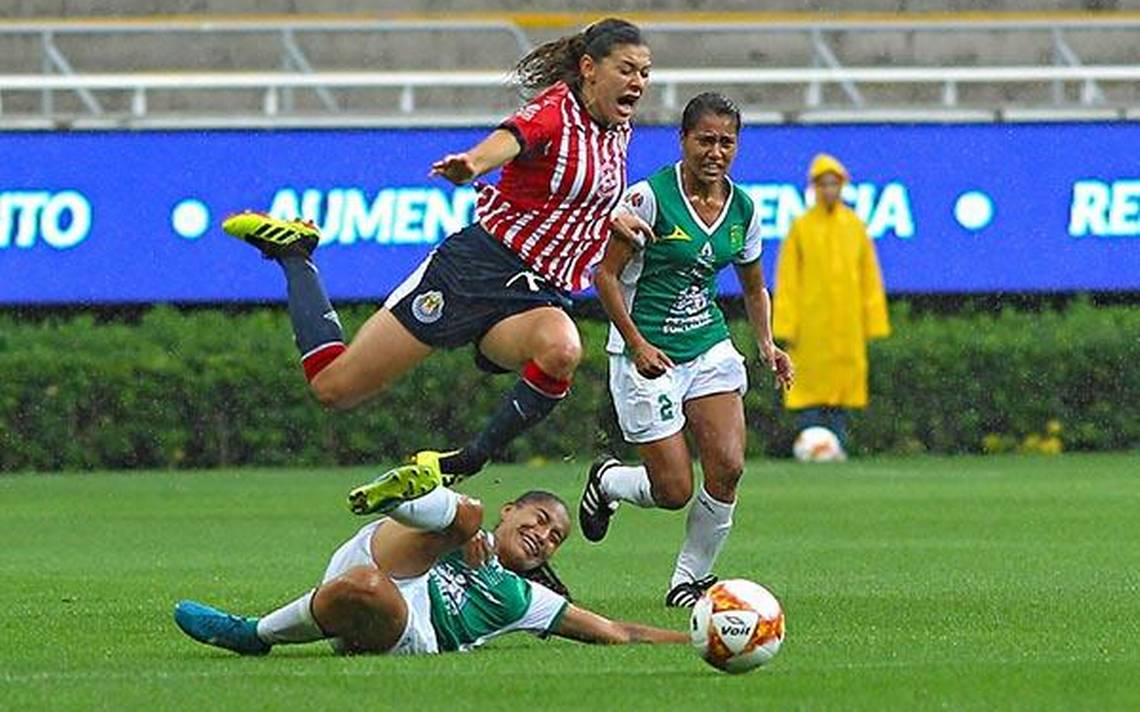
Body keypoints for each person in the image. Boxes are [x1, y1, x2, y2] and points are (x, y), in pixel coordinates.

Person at [221, 18, 655, 500]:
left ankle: (462, 462)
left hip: (536, 293)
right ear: (590, 68)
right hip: (475, 270)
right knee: (333, 388)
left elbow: (575, 188)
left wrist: (611, 216)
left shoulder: (618, 127)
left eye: (645, 73)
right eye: (628, 69)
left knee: (562, 351)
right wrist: (473, 163)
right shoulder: (556, 110)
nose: (638, 82)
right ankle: (296, 255)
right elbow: (511, 138)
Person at [576, 92, 794, 609]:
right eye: (705, 140)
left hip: (708, 347)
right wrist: (637, 343)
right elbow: (603, 276)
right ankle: (608, 482)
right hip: (647, 353)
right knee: (673, 489)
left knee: (728, 466)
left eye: (727, 142)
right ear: (684, 140)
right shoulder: (648, 198)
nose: (716, 152)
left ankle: (688, 581)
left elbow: (752, 284)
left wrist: (766, 342)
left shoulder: (742, 207)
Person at [173, 465, 687, 656]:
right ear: (512, 513)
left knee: (367, 586)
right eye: (537, 519)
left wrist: (698, 636)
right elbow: (471, 526)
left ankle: (253, 635)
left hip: (407, 624)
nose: (543, 535)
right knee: (467, 515)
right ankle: (403, 497)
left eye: (555, 538)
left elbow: (619, 632)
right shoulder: (472, 532)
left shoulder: (523, 598)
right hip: (382, 548)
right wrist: (458, 537)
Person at [772, 153, 890, 453]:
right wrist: (784, 325)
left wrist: (873, 322)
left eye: (834, 184)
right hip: (809, 326)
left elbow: (869, 277)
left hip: (847, 326)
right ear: (814, 188)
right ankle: (809, 447)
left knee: (842, 391)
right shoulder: (801, 227)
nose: (829, 190)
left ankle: (839, 447)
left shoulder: (855, 226)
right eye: (823, 184)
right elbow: (787, 280)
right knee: (808, 390)